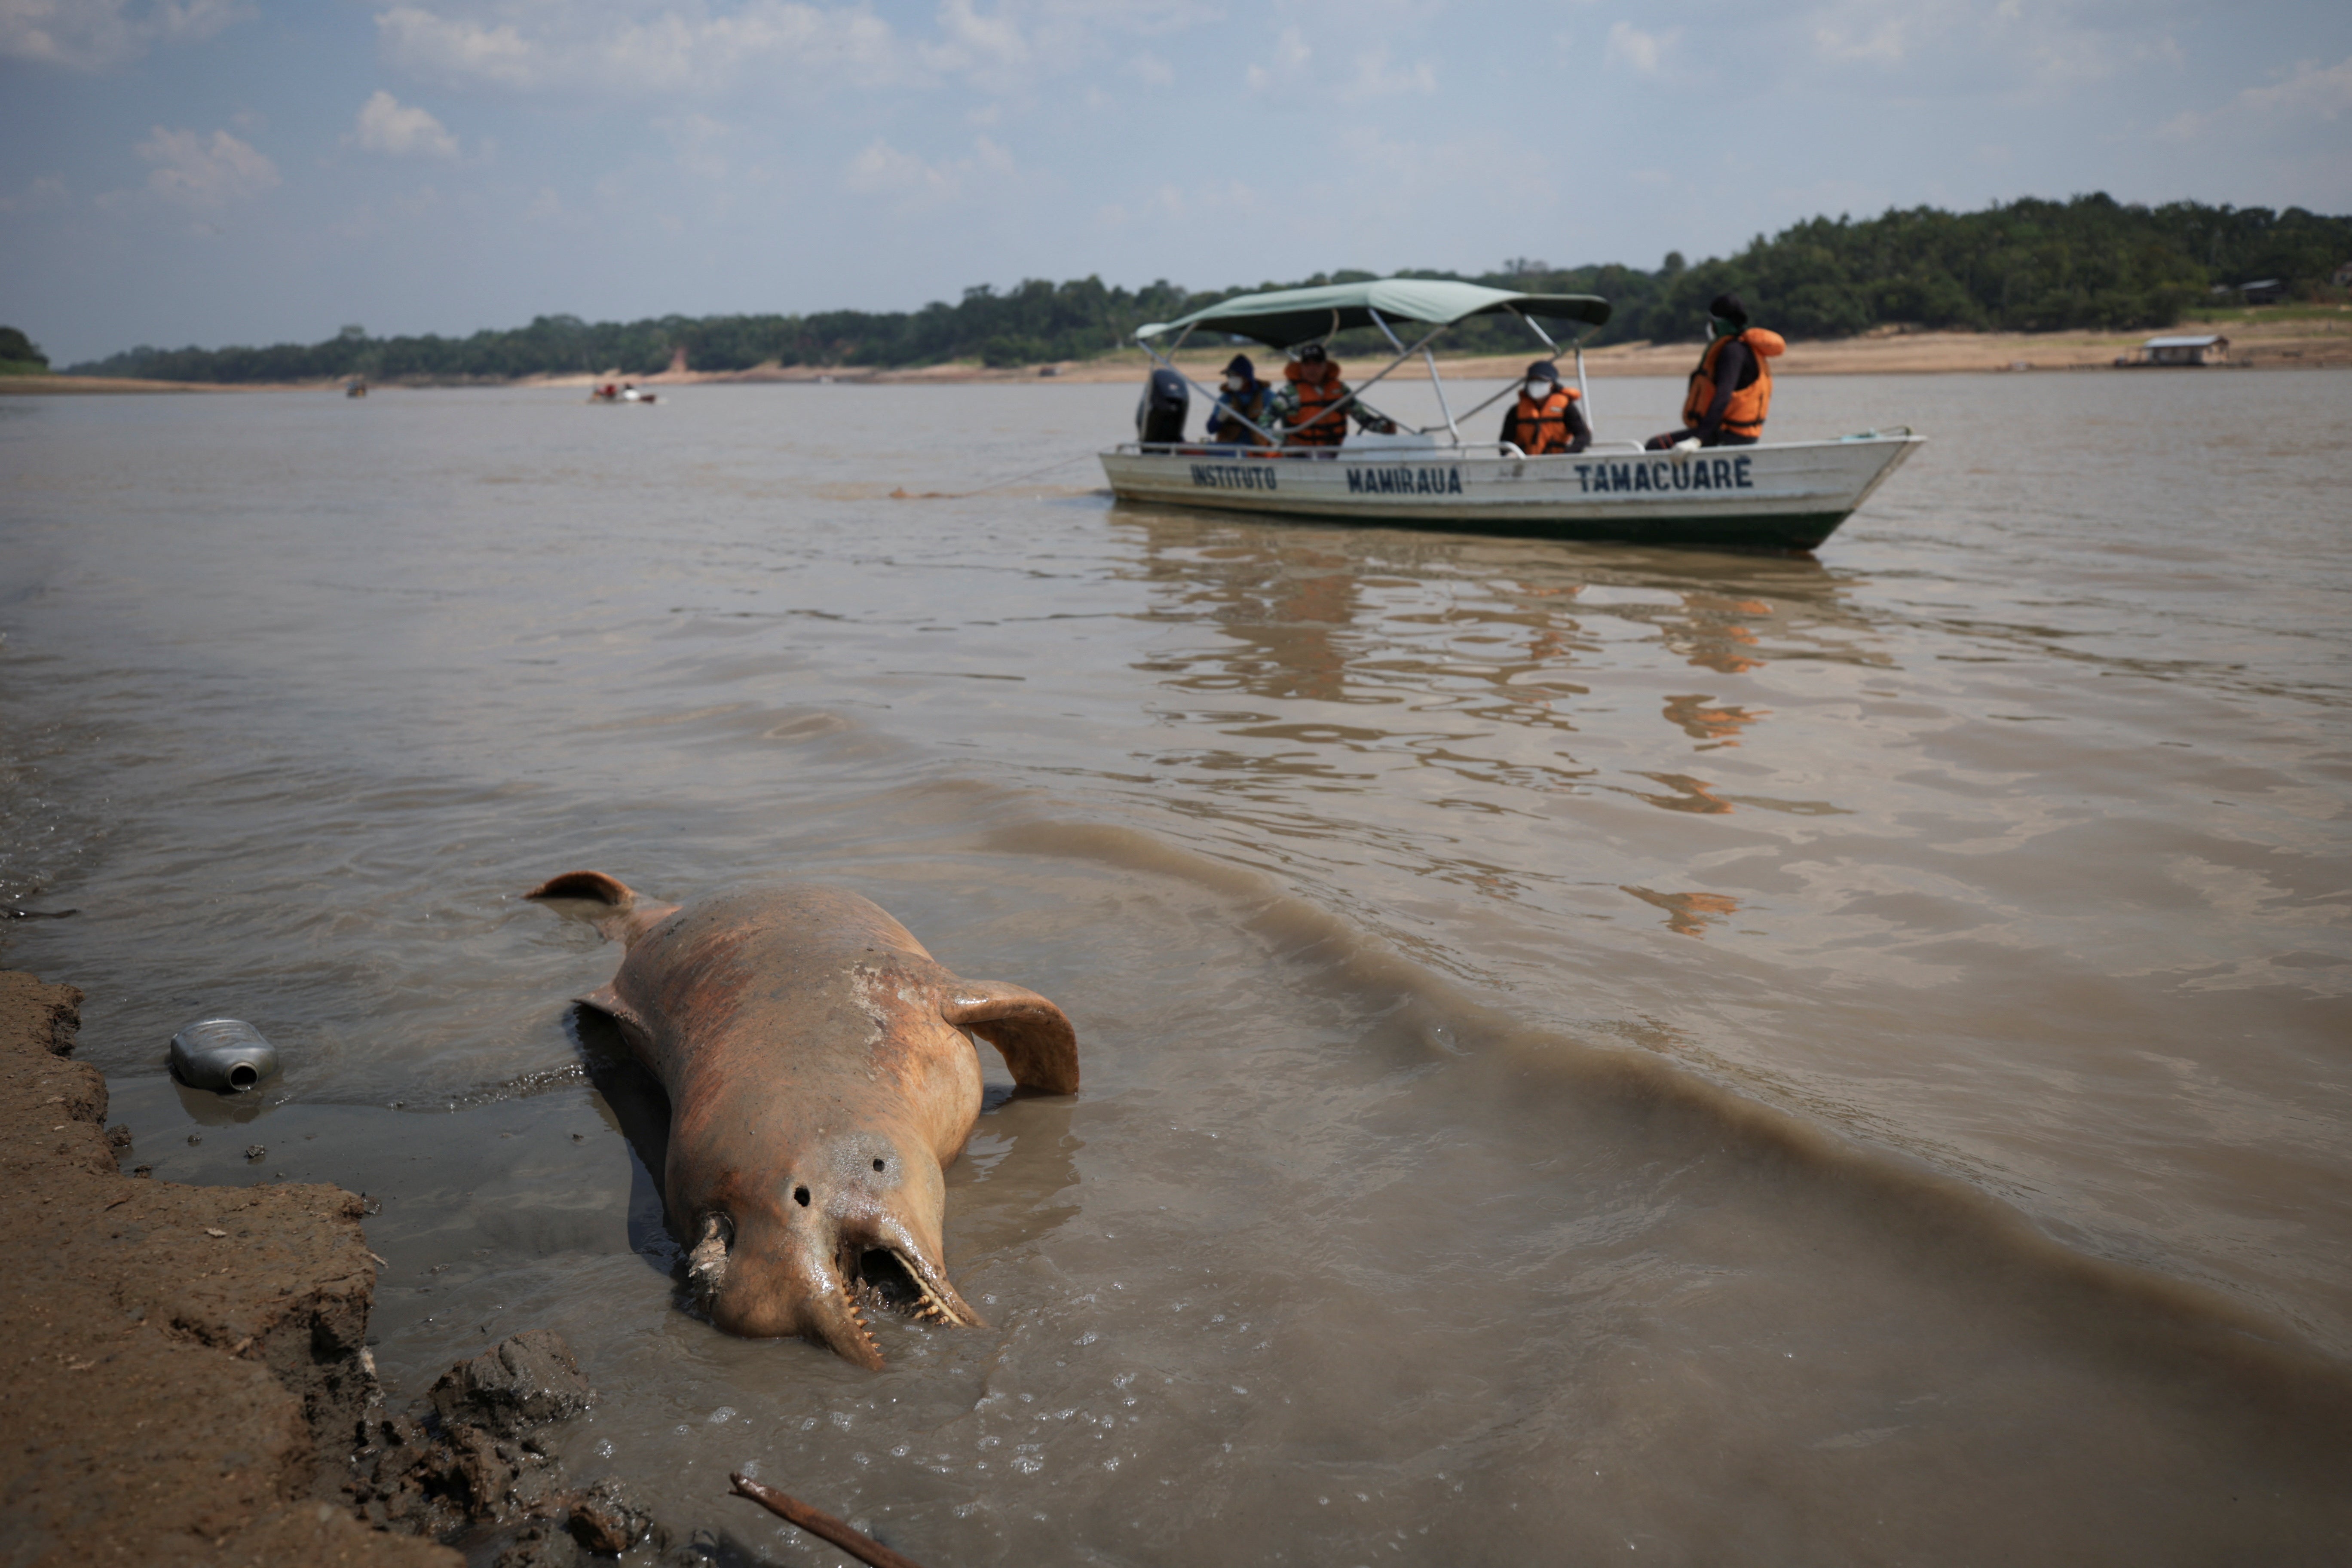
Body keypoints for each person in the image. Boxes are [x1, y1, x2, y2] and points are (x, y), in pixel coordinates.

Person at [1646, 292, 1785, 450]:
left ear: (1718, 324)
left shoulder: (1733, 351)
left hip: (1728, 436)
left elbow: (1723, 396)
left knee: (1655, 445)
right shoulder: (1747, 348)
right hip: (1745, 436)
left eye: (1711, 321)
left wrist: (1698, 439)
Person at [1498, 361, 1590, 455]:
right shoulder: (1516, 411)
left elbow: (1583, 436)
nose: (1535, 384)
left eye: (1541, 380)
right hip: (1525, 463)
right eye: (1532, 380)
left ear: (1552, 384)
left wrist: (1568, 455)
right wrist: (1510, 454)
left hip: (1558, 462)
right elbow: (1505, 441)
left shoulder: (1567, 408)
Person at [1280, 343, 1351, 448]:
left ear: (1326, 366)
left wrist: (1383, 427)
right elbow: (1264, 422)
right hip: (1302, 456)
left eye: (1317, 364)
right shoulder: (1290, 393)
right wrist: (1282, 441)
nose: (1312, 369)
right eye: (1307, 364)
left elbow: (1362, 417)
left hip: (1337, 453)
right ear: (1301, 367)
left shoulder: (1341, 390)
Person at [1204, 354, 1274, 446]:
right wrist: (1220, 419)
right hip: (1230, 449)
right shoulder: (1226, 398)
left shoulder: (1267, 396)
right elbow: (1210, 429)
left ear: (1246, 378)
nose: (1230, 379)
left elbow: (1281, 417)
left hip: (1257, 450)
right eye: (1229, 376)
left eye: (1234, 376)